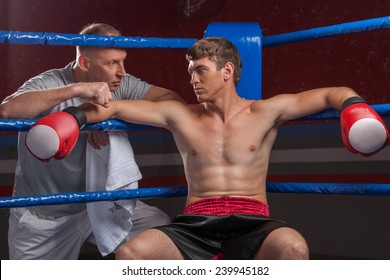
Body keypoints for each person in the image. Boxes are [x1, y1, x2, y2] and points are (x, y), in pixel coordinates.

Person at [25, 37, 389, 259]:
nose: (192, 80)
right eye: (190, 72)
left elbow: (331, 92)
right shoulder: (180, 115)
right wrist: (71, 120)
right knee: (132, 253)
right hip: (196, 224)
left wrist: (355, 109)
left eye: (200, 70)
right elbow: (115, 106)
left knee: (294, 249)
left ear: (227, 71)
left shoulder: (265, 112)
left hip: (253, 222)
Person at [0, 23, 185, 259]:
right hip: (45, 215)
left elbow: (173, 101)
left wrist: (108, 114)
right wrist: (77, 90)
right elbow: (8, 110)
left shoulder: (122, 84)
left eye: (122, 60)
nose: (122, 71)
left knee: (159, 230)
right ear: (85, 63)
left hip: (99, 205)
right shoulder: (51, 82)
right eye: (112, 63)